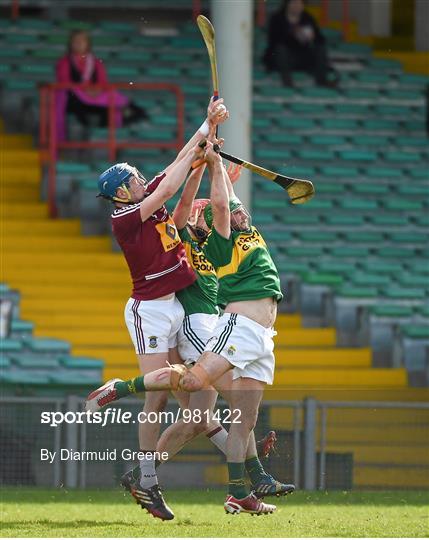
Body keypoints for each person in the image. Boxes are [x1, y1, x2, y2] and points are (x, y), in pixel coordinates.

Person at [87, 141, 295, 516]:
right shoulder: (186, 237)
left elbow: (214, 207)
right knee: (208, 398)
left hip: (198, 321)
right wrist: (205, 163)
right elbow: (186, 203)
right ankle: (248, 468)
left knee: (199, 418)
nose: (201, 215)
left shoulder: (209, 246)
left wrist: (212, 168)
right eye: (201, 213)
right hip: (194, 323)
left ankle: (161, 475)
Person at [93, 98, 229, 521]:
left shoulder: (144, 195)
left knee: (190, 393)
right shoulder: (126, 217)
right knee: (156, 402)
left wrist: (205, 133)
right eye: (132, 179)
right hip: (148, 311)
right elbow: (171, 185)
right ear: (120, 192)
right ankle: (149, 482)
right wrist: (204, 135)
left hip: (172, 306)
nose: (139, 180)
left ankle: (240, 459)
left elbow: (176, 164)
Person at [55, 29, 147, 143]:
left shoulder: (95, 62)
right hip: (75, 98)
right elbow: (65, 82)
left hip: (95, 96)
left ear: (87, 43)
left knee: (115, 100)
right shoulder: (65, 62)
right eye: (75, 41)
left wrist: (95, 90)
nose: (79, 44)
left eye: (82, 41)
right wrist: (84, 90)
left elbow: (103, 82)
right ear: (70, 44)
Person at [263, 0, 337, 87]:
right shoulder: (277, 18)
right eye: (294, 3)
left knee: (320, 48)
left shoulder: (307, 18)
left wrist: (313, 38)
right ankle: (288, 83)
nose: (297, 6)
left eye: (299, 3)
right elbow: (274, 41)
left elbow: (320, 39)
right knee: (281, 50)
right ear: (287, 4)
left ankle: (321, 81)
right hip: (282, 57)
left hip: (302, 57)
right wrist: (293, 34)